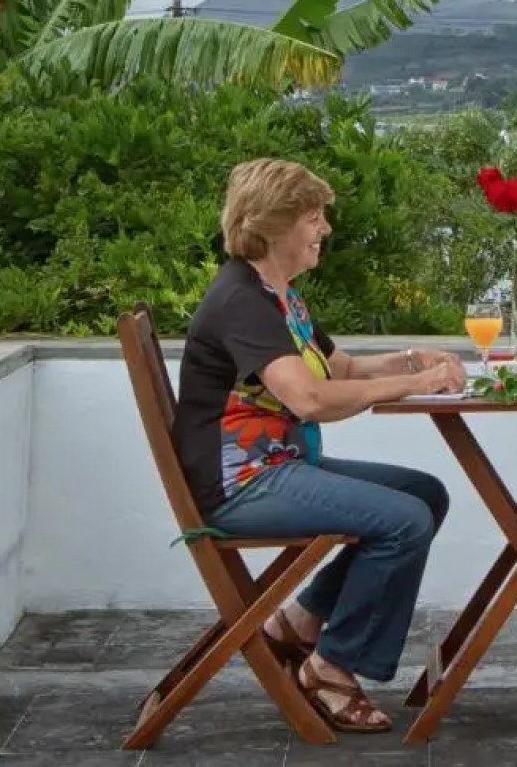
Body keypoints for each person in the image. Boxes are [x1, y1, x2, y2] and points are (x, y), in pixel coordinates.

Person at [173, 157, 467, 734]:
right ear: (273, 224)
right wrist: (416, 385)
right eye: (313, 217)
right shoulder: (242, 301)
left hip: (281, 466)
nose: (325, 228)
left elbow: (344, 369)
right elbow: (308, 398)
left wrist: (414, 359)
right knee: (404, 520)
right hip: (243, 485)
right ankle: (331, 667)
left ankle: (300, 622)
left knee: (425, 495)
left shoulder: (278, 297)